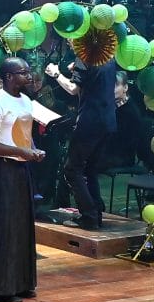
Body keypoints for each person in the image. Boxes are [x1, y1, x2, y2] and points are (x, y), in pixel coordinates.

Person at [0, 57, 46, 302]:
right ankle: (1, 287)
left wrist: (33, 149)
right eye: (23, 73)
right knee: (3, 227)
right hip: (2, 170)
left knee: (21, 225)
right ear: (8, 77)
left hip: (21, 169)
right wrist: (21, 152)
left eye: (28, 72)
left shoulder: (26, 101)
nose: (28, 76)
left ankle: (22, 282)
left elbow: (24, 135)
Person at [45, 57, 118, 230]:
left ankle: (89, 216)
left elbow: (72, 89)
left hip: (90, 121)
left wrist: (56, 74)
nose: (70, 41)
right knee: (90, 169)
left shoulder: (85, 58)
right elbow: (95, 81)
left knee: (72, 169)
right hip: (108, 120)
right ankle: (96, 213)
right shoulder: (108, 57)